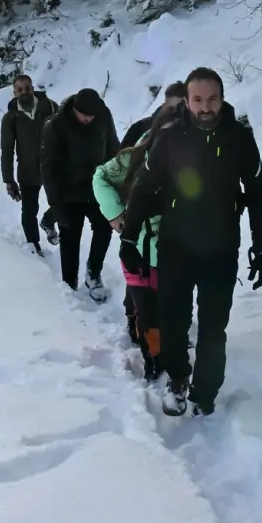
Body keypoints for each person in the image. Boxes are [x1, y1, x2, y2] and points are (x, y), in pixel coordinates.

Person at [124, 65, 262, 418]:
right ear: (187, 101)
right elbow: (144, 189)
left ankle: (206, 390)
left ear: (222, 98)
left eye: (212, 99)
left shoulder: (239, 137)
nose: (206, 107)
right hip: (175, 245)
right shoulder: (170, 137)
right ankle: (177, 379)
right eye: (198, 100)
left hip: (221, 248)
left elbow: (256, 192)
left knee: (213, 324)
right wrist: (130, 236)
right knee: (173, 318)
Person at [92, 98, 182, 381]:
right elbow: (101, 177)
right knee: (147, 314)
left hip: (174, 253)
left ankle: (162, 350)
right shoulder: (134, 157)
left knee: (168, 311)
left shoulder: (193, 161)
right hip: (137, 248)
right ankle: (154, 359)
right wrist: (116, 213)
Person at [39, 87, 119, 302]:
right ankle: (69, 286)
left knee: (104, 229)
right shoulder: (56, 125)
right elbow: (49, 169)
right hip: (69, 193)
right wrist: (56, 205)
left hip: (97, 189)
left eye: (92, 115)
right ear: (75, 109)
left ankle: (93, 274)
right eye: (85, 115)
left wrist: (118, 182)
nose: (89, 119)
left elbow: (113, 148)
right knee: (70, 237)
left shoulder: (103, 116)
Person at [0, 73, 57, 253]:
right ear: (14, 93)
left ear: (33, 88)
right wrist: (8, 179)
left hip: (52, 166)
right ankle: (34, 244)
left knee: (63, 201)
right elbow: (7, 149)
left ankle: (48, 221)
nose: (24, 92)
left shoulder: (49, 106)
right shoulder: (11, 117)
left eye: (27, 88)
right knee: (29, 209)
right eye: (20, 90)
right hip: (28, 170)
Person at [118, 80, 187, 150]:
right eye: (169, 107)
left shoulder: (187, 133)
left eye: (177, 108)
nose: (172, 112)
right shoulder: (141, 128)